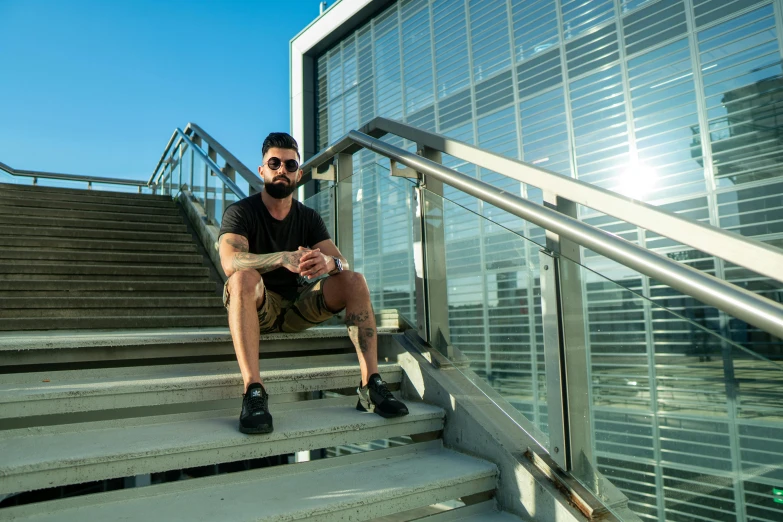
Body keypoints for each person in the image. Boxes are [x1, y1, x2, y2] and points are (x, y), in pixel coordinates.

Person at [218, 132, 409, 434]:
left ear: (299, 173)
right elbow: (230, 262)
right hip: (259, 307)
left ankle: (370, 384)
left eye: (290, 165)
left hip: (298, 309)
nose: (282, 170)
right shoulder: (241, 212)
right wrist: (280, 258)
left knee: (354, 281)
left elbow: (342, 262)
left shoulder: (308, 217)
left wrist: (328, 263)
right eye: (274, 163)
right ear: (262, 170)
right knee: (243, 278)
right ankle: (253, 391)